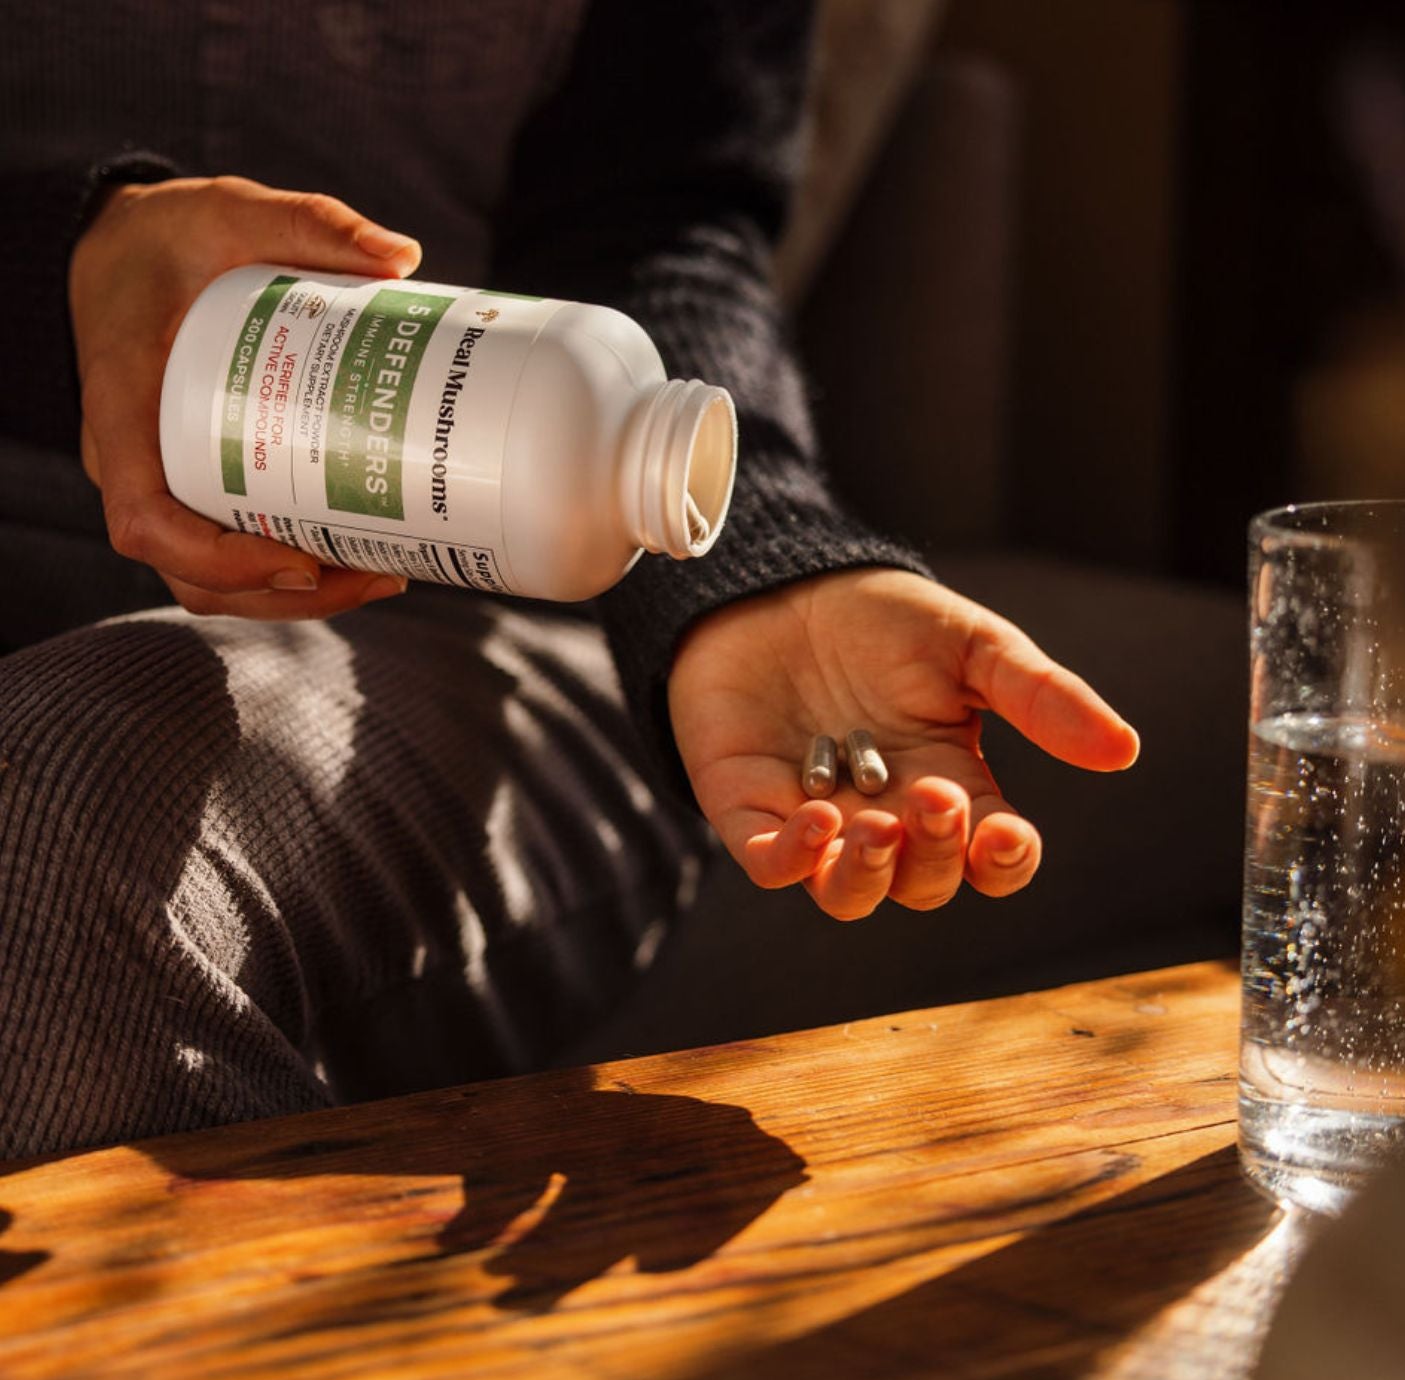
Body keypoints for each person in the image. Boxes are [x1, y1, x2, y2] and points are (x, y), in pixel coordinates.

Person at [0, 2, 1137, 1160]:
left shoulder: (581, 527)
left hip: (459, 624)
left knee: (57, 800)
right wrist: (68, 267)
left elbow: (657, 223)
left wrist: (749, 565)